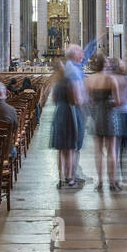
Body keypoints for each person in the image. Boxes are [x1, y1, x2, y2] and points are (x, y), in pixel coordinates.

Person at [86, 52, 123, 191]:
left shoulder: (90, 79)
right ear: (105, 64)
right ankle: (112, 182)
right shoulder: (111, 79)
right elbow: (118, 101)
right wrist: (110, 104)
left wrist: (96, 105)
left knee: (98, 151)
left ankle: (100, 182)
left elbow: (88, 100)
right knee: (111, 150)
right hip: (110, 115)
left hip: (96, 116)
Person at [48, 59, 80, 189]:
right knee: (70, 148)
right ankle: (70, 178)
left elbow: (54, 99)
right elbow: (73, 100)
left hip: (58, 113)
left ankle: (60, 178)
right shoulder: (69, 82)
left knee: (60, 150)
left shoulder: (56, 83)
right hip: (68, 112)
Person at [63, 43, 88, 187]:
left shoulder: (73, 68)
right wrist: (85, 100)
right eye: (81, 52)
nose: (83, 55)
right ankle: (71, 175)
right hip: (74, 109)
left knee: (74, 145)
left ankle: (71, 174)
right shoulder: (72, 69)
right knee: (74, 144)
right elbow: (77, 96)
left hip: (74, 108)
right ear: (74, 55)